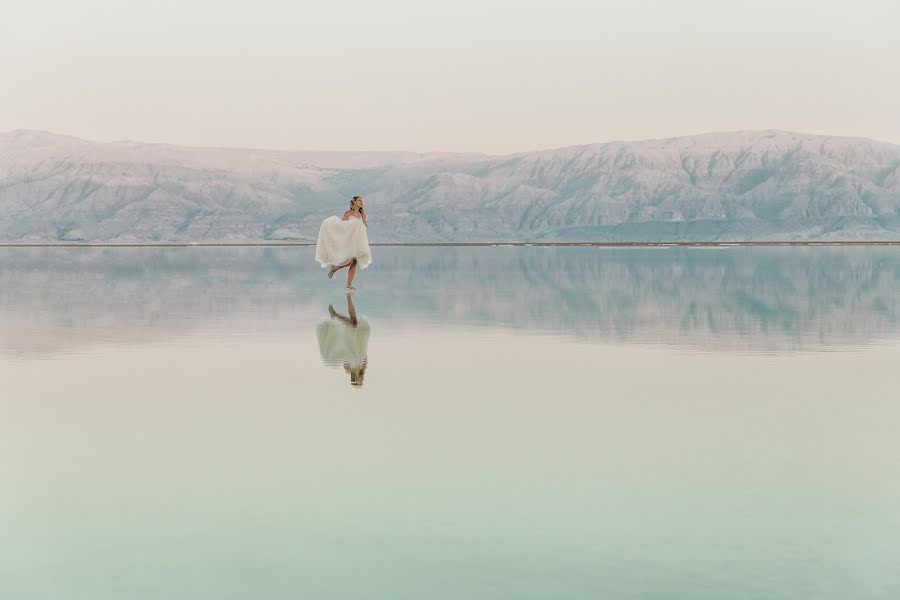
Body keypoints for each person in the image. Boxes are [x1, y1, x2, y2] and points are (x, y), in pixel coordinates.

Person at [314, 195, 371, 291]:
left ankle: (348, 283)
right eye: (359, 200)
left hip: (358, 242)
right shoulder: (348, 213)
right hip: (350, 241)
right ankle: (335, 269)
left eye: (362, 201)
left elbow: (364, 227)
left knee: (354, 262)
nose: (362, 202)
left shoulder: (362, 215)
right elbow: (342, 227)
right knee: (350, 261)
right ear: (354, 202)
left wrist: (363, 222)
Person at [317, 293, 369, 387]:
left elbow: (345, 358)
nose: (360, 379)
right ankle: (337, 315)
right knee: (353, 322)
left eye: (358, 381)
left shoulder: (348, 370)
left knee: (353, 323)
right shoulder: (363, 368)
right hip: (356, 340)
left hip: (349, 342)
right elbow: (364, 352)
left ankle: (336, 315)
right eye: (361, 380)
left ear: (355, 379)